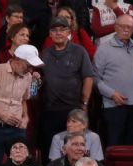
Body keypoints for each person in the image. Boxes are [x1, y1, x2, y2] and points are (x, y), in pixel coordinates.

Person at [0, 44, 40, 166]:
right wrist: (2, 115)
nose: (30, 70)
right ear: (17, 59)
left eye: (32, 67)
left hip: (17, 129)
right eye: (28, 66)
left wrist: (26, 117)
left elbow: (23, 99)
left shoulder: (27, 77)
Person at [39, 17, 94, 154]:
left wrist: (85, 104)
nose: (58, 33)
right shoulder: (44, 54)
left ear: (69, 32)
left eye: (62, 30)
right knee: (50, 148)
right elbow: (38, 79)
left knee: (75, 147)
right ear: (50, 34)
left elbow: (88, 77)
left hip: (73, 110)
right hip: (50, 110)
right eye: (54, 30)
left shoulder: (79, 51)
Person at [94, 15, 133, 148]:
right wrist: (111, 93)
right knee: (114, 146)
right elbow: (95, 77)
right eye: (122, 26)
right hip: (114, 107)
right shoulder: (103, 49)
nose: (126, 29)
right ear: (115, 28)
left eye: (129, 27)